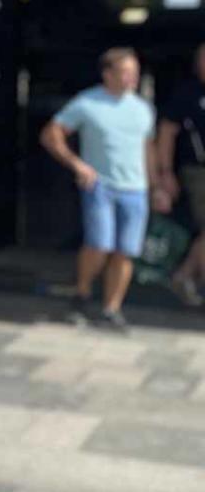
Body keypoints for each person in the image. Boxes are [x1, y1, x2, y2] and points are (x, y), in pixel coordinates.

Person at [40, 47, 156, 331]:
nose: (133, 78)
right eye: (126, 72)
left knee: (125, 251)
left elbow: (147, 149)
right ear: (108, 74)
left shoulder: (143, 108)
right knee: (99, 244)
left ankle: (111, 308)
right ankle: (82, 292)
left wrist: (157, 183)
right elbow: (51, 134)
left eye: (135, 72)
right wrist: (77, 165)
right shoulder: (88, 102)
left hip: (135, 188)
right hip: (101, 186)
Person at [156, 42, 205, 305]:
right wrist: (165, 173)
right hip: (198, 170)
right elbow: (166, 133)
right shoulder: (188, 94)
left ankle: (184, 275)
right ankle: (188, 276)